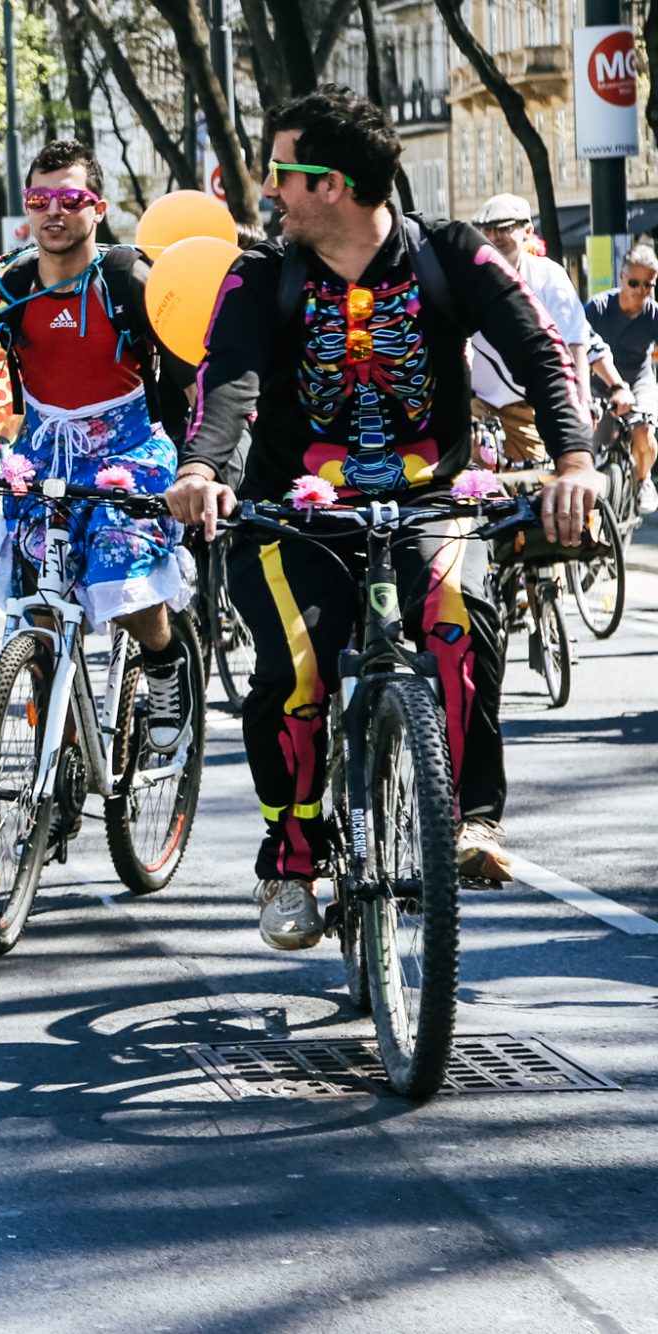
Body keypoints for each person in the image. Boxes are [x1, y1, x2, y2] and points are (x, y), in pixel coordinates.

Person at [164, 85, 599, 947]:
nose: (270, 192)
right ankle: (290, 862)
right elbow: (230, 379)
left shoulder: (452, 255)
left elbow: (540, 355)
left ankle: (469, 821)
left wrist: (576, 463)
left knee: (456, 630)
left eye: (282, 173)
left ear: (331, 185)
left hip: (429, 499)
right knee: (297, 668)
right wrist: (201, 468)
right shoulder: (260, 274)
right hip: (295, 513)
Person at [0, 140, 196, 754]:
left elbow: (188, 375)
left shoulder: (127, 278)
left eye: (71, 199)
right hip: (39, 460)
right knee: (36, 607)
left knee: (125, 586)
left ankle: (166, 666)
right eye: (40, 200)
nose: (53, 212)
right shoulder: (11, 282)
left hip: (128, 453)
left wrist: (201, 459)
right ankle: (55, 749)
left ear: (98, 207)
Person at [466, 194, 598, 465]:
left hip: (530, 405)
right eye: (488, 229)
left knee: (534, 485)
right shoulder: (468, 278)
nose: (494, 236)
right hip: (478, 404)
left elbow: (574, 344)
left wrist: (580, 402)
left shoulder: (549, 276)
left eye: (504, 228)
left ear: (527, 232)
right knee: (472, 489)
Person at [583, 245, 658, 514]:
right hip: (600, 383)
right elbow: (577, 346)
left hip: (639, 380)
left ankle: (644, 479)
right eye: (635, 283)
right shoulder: (598, 307)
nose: (641, 290)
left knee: (644, 430)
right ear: (622, 277)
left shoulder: (653, 314)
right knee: (591, 438)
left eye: (648, 284)